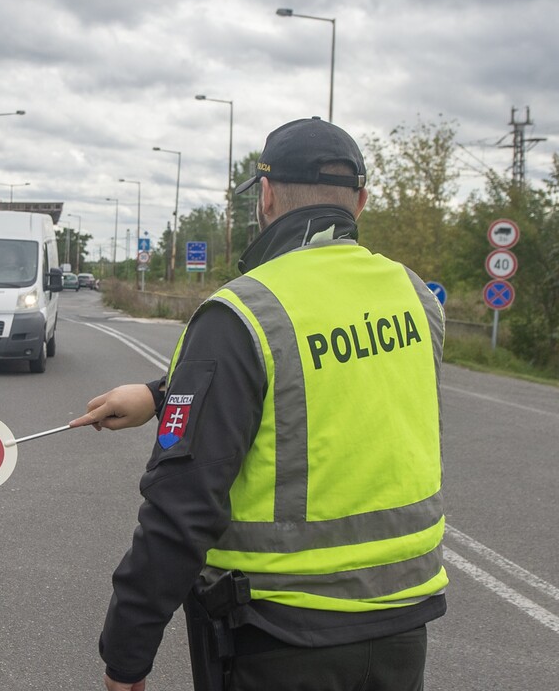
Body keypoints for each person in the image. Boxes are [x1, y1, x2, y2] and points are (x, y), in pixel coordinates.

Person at [70, 118, 447, 691]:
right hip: (402, 628)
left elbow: (180, 507)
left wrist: (126, 656)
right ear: (361, 202)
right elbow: (323, 385)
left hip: (278, 637)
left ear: (265, 198)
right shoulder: (415, 295)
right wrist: (157, 395)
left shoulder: (243, 312)